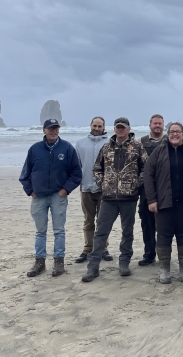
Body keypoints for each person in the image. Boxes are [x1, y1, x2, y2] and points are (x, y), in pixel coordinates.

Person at [81, 117, 148, 282]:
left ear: (128, 129)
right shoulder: (106, 147)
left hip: (129, 198)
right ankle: (93, 266)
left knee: (127, 232)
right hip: (108, 198)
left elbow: (146, 168)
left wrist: (136, 183)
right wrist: (103, 184)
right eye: (118, 127)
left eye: (123, 127)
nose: (120, 130)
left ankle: (124, 263)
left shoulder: (138, 147)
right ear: (114, 129)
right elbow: (97, 168)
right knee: (101, 233)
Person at [19, 118, 82, 277]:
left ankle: (58, 263)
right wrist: (30, 191)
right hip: (38, 196)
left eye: (56, 128)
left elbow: (76, 173)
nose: (53, 131)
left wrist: (65, 190)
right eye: (50, 128)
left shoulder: (67, 148)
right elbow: (25, 175)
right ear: (44, 130)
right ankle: (40, 262)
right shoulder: (35, 149)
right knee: (40, 231)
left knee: (59, 231)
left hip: (58, 196)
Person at [143, 122, 183, 284]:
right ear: (167, 134)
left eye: (178, 132)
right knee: (163, 235)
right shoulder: (159, 151)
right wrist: (152, 199)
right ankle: (164, 269)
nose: (174, 134)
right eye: (171, 132)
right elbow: (148, 175)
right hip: (163, 203)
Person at [74, 116, 112, 263]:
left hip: (104, 189)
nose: (97, 129)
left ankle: (103, 249)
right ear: (90, 125)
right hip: (86, 188)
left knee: (103, 221)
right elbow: (76, 165)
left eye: (99, 126)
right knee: (88, 221)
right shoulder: (81, 144)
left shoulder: (109, 143)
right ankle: (87, 248)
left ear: (104, 127)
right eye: (94, 126)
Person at [138, 114, 167, 266]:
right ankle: (149, 254)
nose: (157, 126)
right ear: (150, 125)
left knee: (163, 224)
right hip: (145, 189)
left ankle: (164, 255)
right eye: (155, 123)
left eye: (160, 123)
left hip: (164, 188)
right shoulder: (141, 142)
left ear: (163, 125)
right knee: (147, 223)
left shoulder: (169, 140)